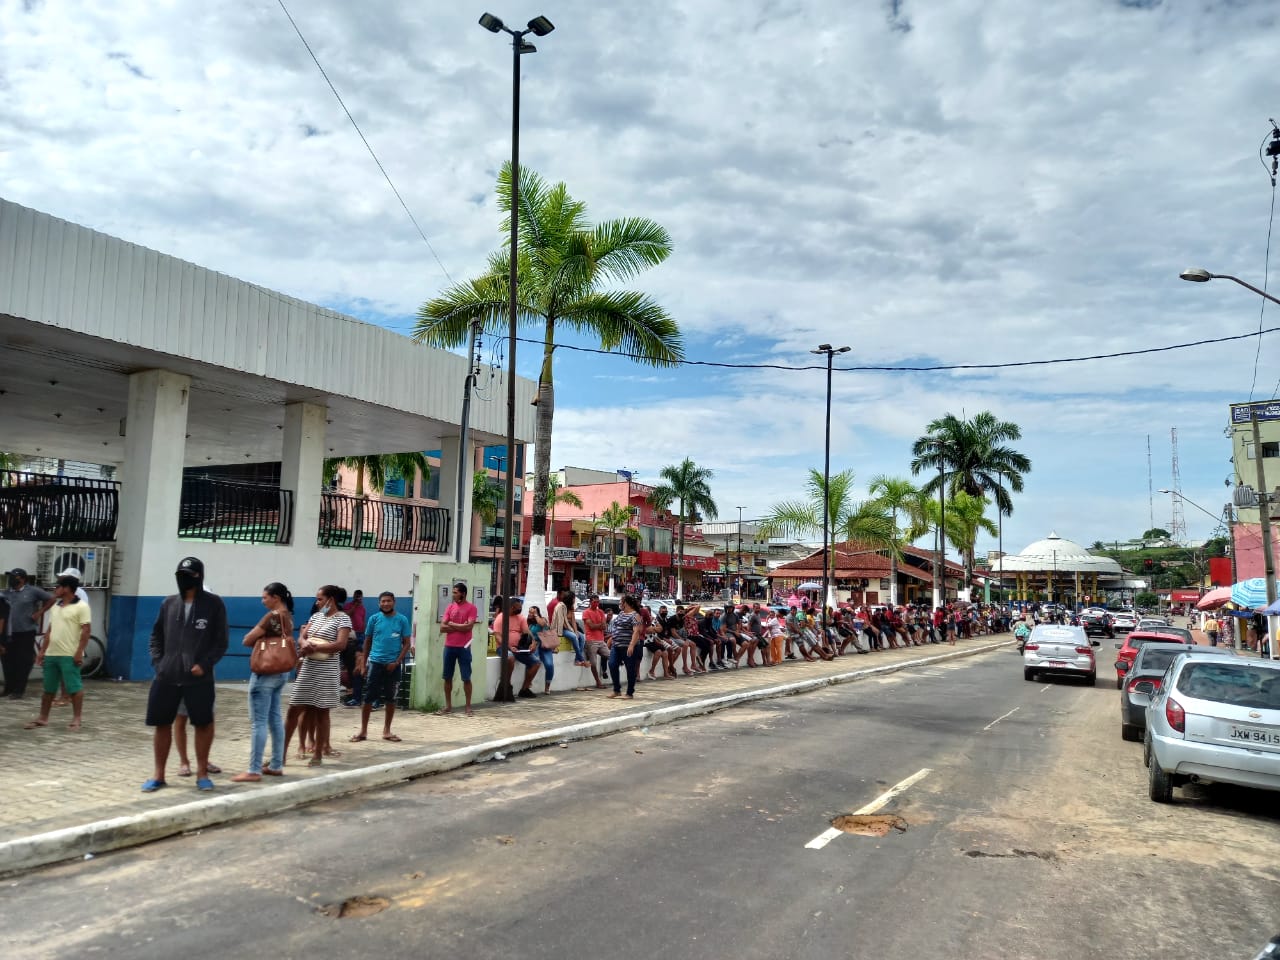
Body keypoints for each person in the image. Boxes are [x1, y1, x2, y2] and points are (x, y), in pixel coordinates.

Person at [142, 557, 228, 792]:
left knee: (203, 723)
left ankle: (202, 773)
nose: (184, 579)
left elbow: (220, 642)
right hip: (167, 676)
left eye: (189, 575)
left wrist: (205, 664)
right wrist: (159, 663)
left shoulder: (213, 604)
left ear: (199, 576)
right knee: (162, 723)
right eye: (180, 575)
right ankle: (159, 775)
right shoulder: (169, 603)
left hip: (199, 678)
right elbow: (156, 636)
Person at [229, 583, 295, 782]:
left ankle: (254, 769)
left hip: (265, 673)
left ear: (276, 597)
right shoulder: (287, 616)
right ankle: (276, 764)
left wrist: (260, 639)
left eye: (265, 597)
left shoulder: (271, 617)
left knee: (259, 722)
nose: (262, 601)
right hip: (281, 672)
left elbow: (247, 640)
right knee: (275, 719)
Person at [287, 585, 351, 767]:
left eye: (320, 599)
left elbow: (341, 644)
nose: (317, 602)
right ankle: (297, 747)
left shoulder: (343, 618)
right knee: (298, 707)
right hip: (308, 667)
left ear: (331, 599)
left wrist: (315, 647)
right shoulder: (316, 616)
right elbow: (302, 636)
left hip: (327, 670)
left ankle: (318, 753)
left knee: (322, 711)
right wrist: (304, 643)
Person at [23, 574, 91, 731]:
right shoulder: (56, 606)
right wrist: (42, 651)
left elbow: (86, 631)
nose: (55, 590)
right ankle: (43, 718)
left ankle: (76, 719)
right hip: (52, 653)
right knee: (48, 688)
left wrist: (79, 651)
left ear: (66, 588)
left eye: (58, 587)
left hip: (69, 654)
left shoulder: (81, 607)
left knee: (74, 687)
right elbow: (50, 630)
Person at [351, 591, 411, 743]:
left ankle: (387, 731)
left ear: (394, 602)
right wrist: (363, 664)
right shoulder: (374, 619)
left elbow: (406, 643)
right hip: (375, 663)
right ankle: (363, 731)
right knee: (368, 698)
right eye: (383, 601)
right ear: (379, 603)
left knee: (391, 698)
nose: (386, 604)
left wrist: (396, 662)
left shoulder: (402, 620)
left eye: (388, 601)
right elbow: (367, 642)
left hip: (393, 665)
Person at [2, 568, 54, 700]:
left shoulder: (32, 591)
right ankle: (9, 688)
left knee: (23, 662)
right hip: (9, 632)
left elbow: (51, 599)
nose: (11, 580)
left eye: (15, 577)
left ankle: (19, 690)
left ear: (23, 579)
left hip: (26, 631)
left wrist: (40, 612)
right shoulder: (6, 593)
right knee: (7, 661)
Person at [440, 582, 479, 715]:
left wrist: (451, 624)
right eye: (453, 592)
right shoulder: (450, 607)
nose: (453, 595)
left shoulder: (471, 608)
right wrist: (460, 626)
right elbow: (442, 627)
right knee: (447, 677)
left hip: (464, 647)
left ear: (463, 594)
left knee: (466, 677)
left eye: (456, 592)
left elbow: (469, 627)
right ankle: (448, 706)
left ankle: (468, 706)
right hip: (449, 646)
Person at [493, 597, 540, 698]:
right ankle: (507, 685)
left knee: (536, 663)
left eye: (520, 607)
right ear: (511, 607)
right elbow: (497, 637)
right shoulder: (501, 618)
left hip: (519, 648)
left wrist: (533, 643)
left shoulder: (521, 618)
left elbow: (527, 632)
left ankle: (525, 689)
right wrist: (509, 647)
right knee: (510, 658)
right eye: (517, 608)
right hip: (503, 647)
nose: (519, 609)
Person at [607, 594, 645, 698]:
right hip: (616, 645)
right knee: (612, 664)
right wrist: (611, 638)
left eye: (621, 602)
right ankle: (617, 690)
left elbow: (636, 631)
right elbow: (617, 628)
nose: (619, 604)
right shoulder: (621, 614)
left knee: (630, 668)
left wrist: (631, 645)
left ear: (626, 603)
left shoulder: (635, 615)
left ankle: (629, 692)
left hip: (628, 646)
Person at [341, 590, 368, 706]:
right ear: (354, 597)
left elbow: (362, 620)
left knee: (359, 663)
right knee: (351, 666)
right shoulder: (348, 606)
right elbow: (346, 615)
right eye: (357, 597)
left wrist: (364, 632)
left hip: (361, 634)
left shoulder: (363, 608)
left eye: (360, 597)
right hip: (351, 634)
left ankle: (357, 696)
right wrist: (355, 606)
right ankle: (352, 694)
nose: (359, 599)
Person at [580, 594, 610, 689]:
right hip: (591, 640)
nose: (596, 604)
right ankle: (598, 682)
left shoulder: (601, 612)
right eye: (594, 602)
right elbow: (591, 626)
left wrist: (597, 625)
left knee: (610, 655)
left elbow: (604, 626)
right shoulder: (586, 612)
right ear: (590, 602)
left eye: (597, 602)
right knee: (593, 663)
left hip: (600, 640)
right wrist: (599, 625)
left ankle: (606, 674)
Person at [530, 605, 559, 694]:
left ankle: (547, 686)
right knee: (533, 662)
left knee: (549, 665)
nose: (530, 614)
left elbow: (542, 624)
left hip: (545, 645)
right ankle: (529, 682)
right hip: (535, 645)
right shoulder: (529, 623)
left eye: (532, 612)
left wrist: (535, 615)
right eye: (530, 612)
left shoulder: (543, 619)